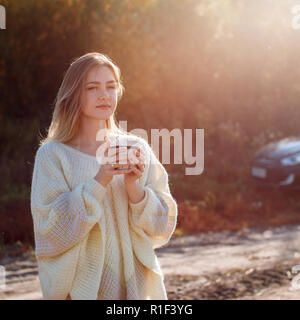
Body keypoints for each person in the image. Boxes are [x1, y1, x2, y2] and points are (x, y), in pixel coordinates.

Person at [30, 52, 178, 300]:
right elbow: (49, 231)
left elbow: (163, 225)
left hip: (135, 290)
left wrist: (136, 191)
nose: (104, 95)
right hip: (81, 291)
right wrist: (99, 181)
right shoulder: (53, 155)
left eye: (111, 86)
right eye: (92, 87)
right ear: (74, 93)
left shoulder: (136, 147)